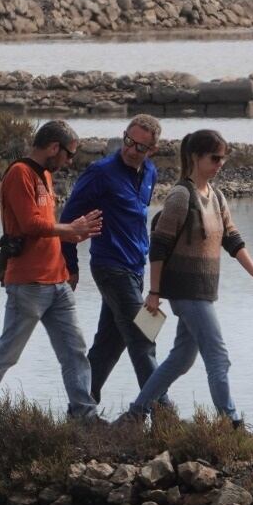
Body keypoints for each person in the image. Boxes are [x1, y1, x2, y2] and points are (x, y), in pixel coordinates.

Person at [123, 129, 253, 429]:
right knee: (218, 356)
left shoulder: (216, 196)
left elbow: (232, 240)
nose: (220, 164)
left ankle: (136, 412)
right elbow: (159, 247)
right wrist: (154, 292)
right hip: (186, 292)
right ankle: (230, 422)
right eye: (214, 158)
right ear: (195, 157)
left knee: (181, 359)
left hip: (204, 291)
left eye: (223, 159)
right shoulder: (181, 195)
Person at [0, 120, 104, 422]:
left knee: (75, 350)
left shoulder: (46, 176)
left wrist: (72, 238)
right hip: (28, 284)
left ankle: (84, 415)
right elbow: (30, 225)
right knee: (6, 354)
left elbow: (48, 226)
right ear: (54, 147)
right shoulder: (20, 174)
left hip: (58, 282)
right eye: (69, 154)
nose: (69, 161)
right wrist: (70, 229)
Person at [59, 114, 165, 407]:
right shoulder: (100, 172)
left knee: (109, 345)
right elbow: (67, 220)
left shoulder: (151, 173)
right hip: (109, 267)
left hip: (135, 269)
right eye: (128, 141)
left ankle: (81, 409)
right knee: (144, 339)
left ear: (152, 150)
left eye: (140, 147)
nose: (131, 149)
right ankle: (162, 414)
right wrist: (71, 266)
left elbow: (138, 219)